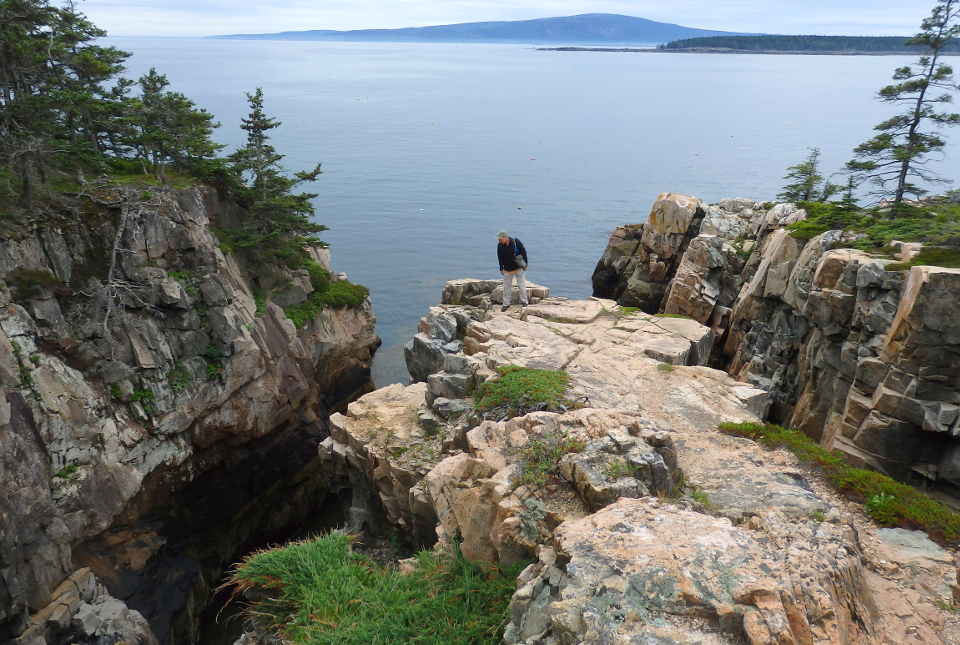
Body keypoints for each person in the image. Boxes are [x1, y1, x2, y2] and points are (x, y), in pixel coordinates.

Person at [497, 230, 528, 312]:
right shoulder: (499, 246)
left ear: (506, 238)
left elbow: (523, 251)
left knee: (521, 286)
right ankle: (506, 304)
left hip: (518, 268)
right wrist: (501, 268)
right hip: (507, 269)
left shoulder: (516, 242)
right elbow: (499, 257)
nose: (499, 241)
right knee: (506, 288)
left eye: (500, 239)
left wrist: (526, 263)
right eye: (498, 240)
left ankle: (524, 302)